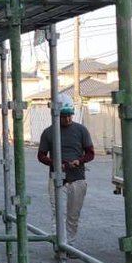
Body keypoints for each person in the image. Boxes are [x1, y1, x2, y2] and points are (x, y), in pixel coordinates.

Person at [37, 101, 95, 241]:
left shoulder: (81, 130)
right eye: (64, 116)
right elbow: (41, 155)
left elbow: (90, 153)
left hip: (77, 177)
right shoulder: (49, 132)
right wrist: (56, 164)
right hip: (56, 177)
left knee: (73, 215)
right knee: (57, 213)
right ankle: (59, 243)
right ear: (58, 116)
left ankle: (70, 244)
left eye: (70, 116)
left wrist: (79, 161)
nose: (68, 119)